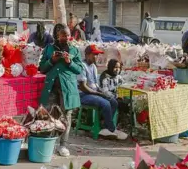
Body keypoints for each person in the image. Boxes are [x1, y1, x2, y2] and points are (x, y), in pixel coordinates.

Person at [38, 23, 83, 157]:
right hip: (51, 87)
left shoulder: (74, 50)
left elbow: (79, 69)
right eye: (63, 35)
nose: (66, 37)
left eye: (68, 35)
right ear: (57, 35)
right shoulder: (49, 49)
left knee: (66, 116)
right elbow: (41, 68)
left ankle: (63, 145)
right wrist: (51, 60)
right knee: (48, 115)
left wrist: (70, 62)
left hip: (67, 88)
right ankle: (49, 142)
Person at [78, 45, 128, 140]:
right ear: (87, 55)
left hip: (93, 92)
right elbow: (83, 87)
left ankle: (106, 127)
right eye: (94, 54)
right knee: (105, 103)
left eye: (97, 55)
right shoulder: (82, 66)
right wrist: (98, 94)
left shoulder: (93, 66)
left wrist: (103, 92)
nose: (96, 57)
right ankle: (111, 129)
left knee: (113, 101)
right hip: (83, 94)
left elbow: (96, 85)